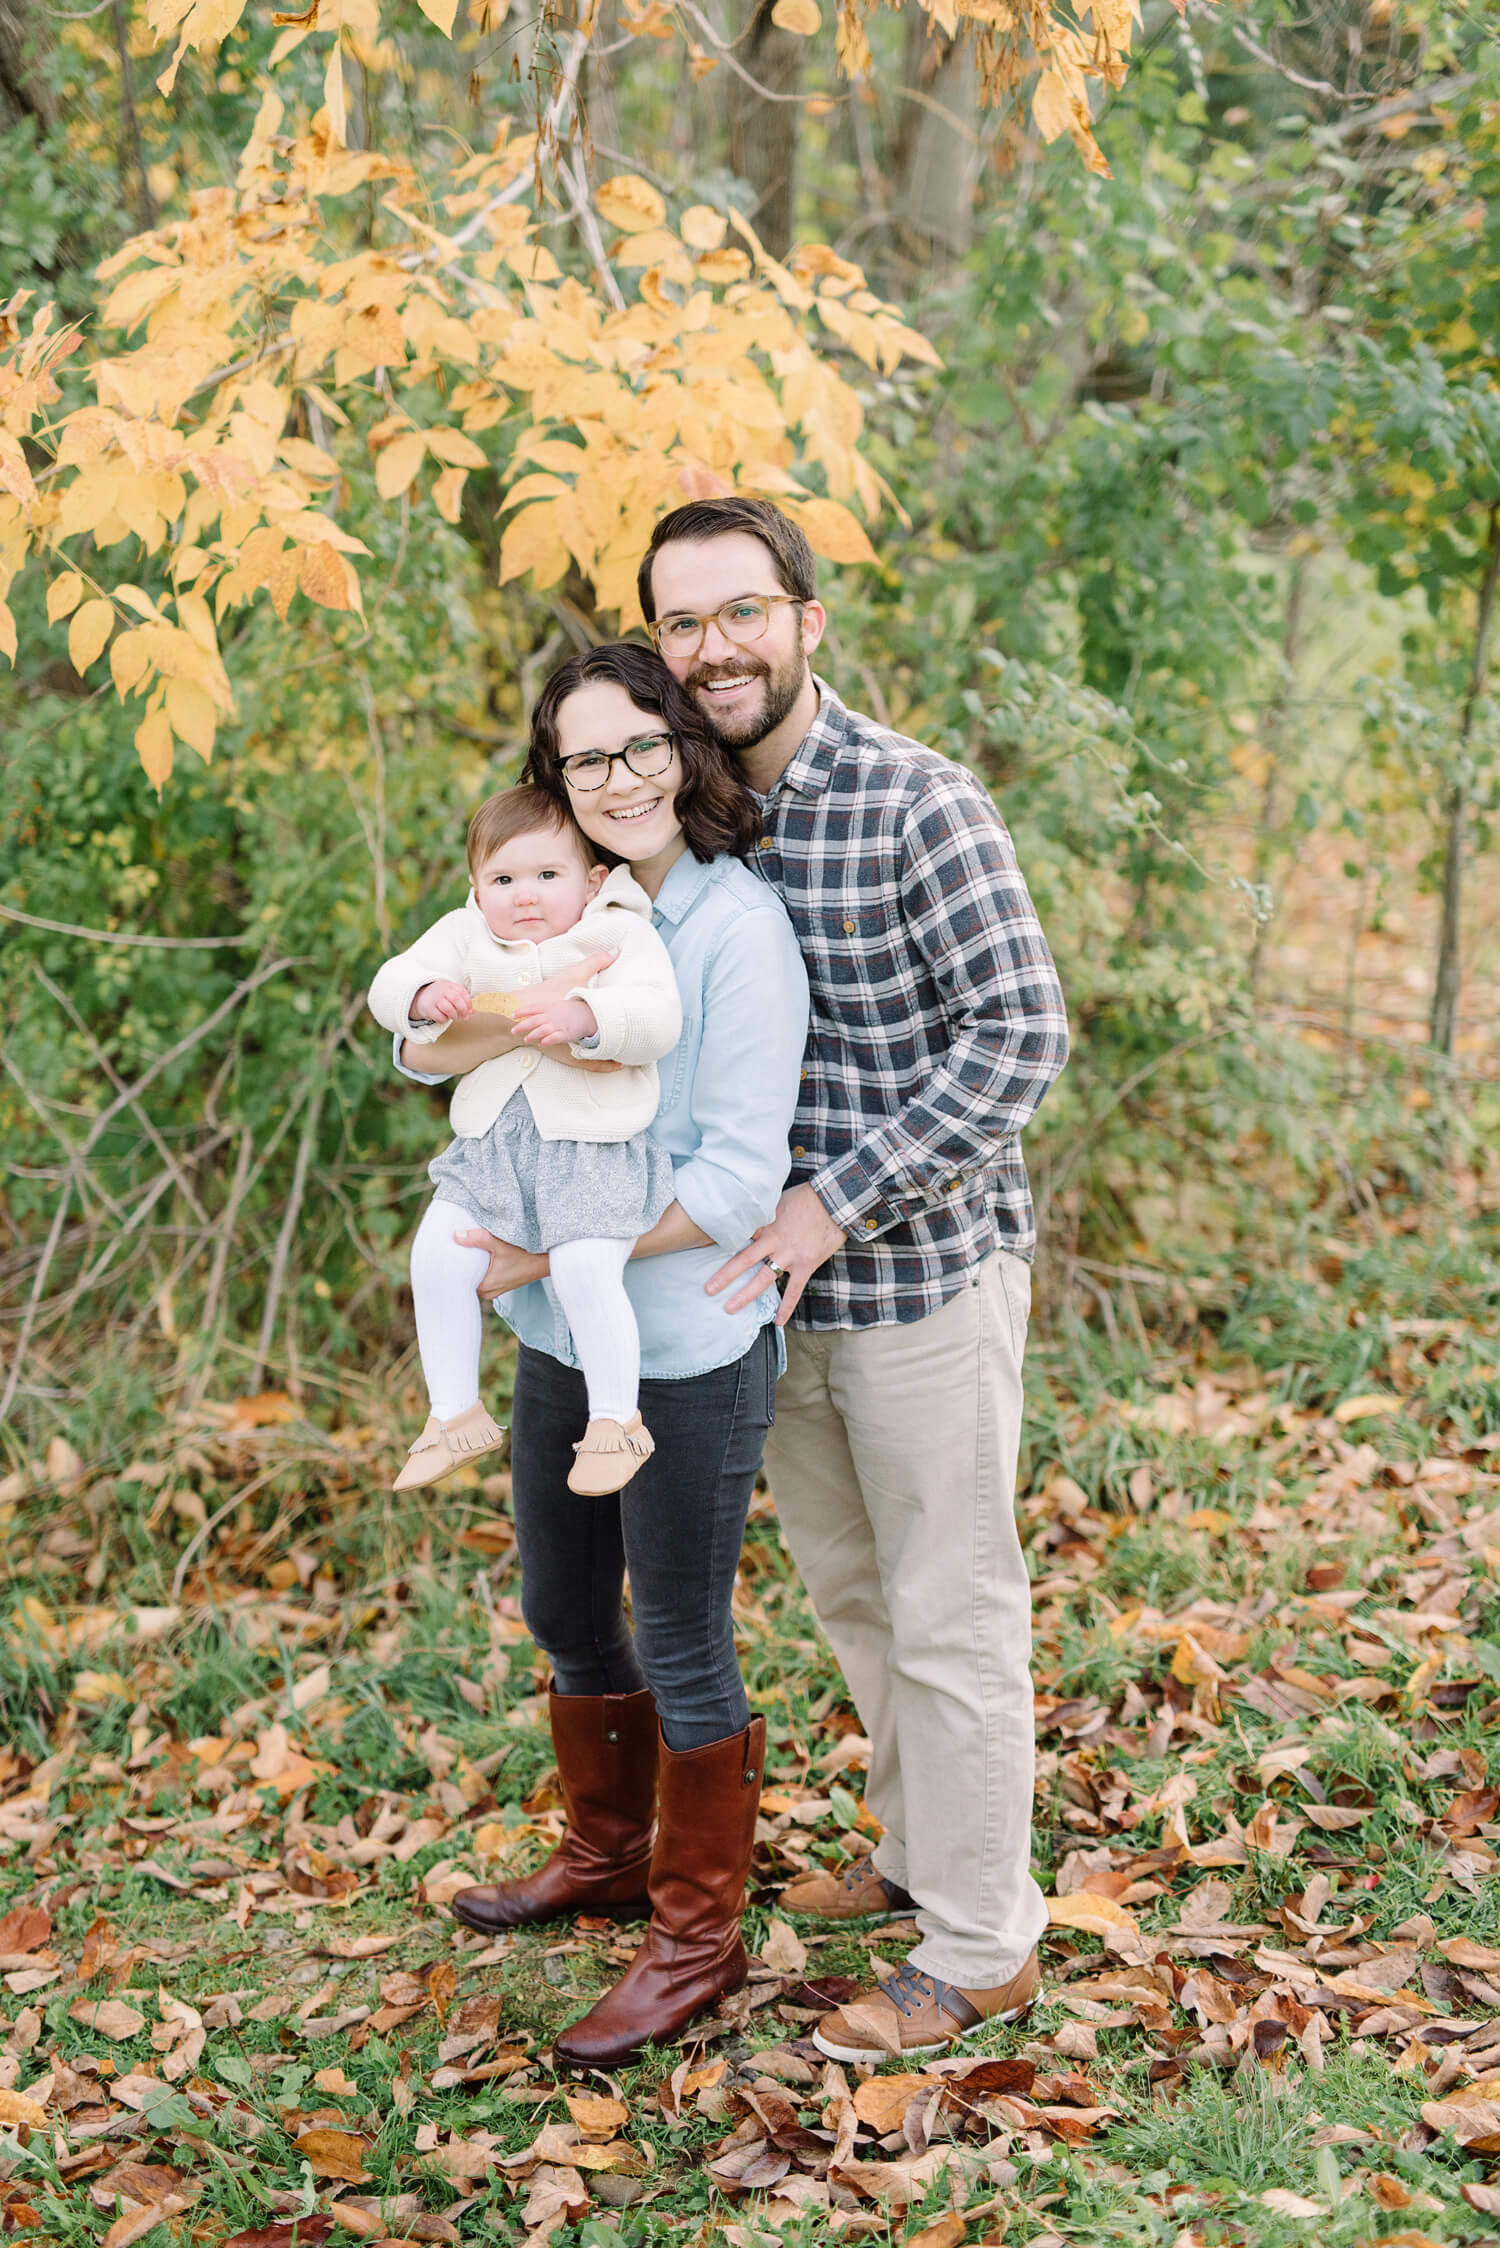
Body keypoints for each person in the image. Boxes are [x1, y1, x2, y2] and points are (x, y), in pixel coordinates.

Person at [639, 496, 1070, 2062]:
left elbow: (1022, 1036)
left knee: (952, 1608)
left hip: (923, 1285)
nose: (713, 648)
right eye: (684, 623)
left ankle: (984, 1946)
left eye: (741, 611)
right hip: (765, 1306)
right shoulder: (684, 816)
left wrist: (837, 1200)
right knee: (853, 1598)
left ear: (807, 621)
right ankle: (914, 1858)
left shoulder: (915, 803)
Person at [394, 641, 809, 2067]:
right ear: (554, 778)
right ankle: (608, 1852)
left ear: (686, 751)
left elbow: (743, 1179)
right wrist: (444, 1025)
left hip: (685, 1335)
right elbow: (441, 1048)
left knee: (682, 1635)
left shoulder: (733, 928)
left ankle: (696, 1937)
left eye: (642, 746)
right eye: (587, 757)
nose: (618, 778)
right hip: (555, 1328)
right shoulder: (562, 904)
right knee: (566, 1612)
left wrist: (554, 1246)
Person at [368, 785, 682, 1495]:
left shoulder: (618, 934)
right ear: (476, 890)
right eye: (504, 880)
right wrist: (420, 998)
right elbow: (389, 982)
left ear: (593, 880)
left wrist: (588, 1015)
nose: (527, 896)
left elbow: (658, 1019)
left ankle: (615, 1422)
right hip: (493, 1145)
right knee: (437, 1257)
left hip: (590, 1148)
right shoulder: (465, 933)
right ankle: (454, 1414)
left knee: (582, 1269)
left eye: (548, 875)